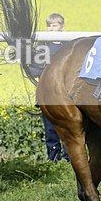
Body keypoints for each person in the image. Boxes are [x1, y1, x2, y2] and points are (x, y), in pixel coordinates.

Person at [37, 13, 70, 162]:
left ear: (62, 27)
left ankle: (69, 157)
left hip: (65, 95)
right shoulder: (42, 46)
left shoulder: (69, 46)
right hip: (48, 95)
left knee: (68, 128)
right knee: (50, 130)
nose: (51, 29)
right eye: (49, 26)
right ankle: (53, 158)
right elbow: (35, 69)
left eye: (54, 25)